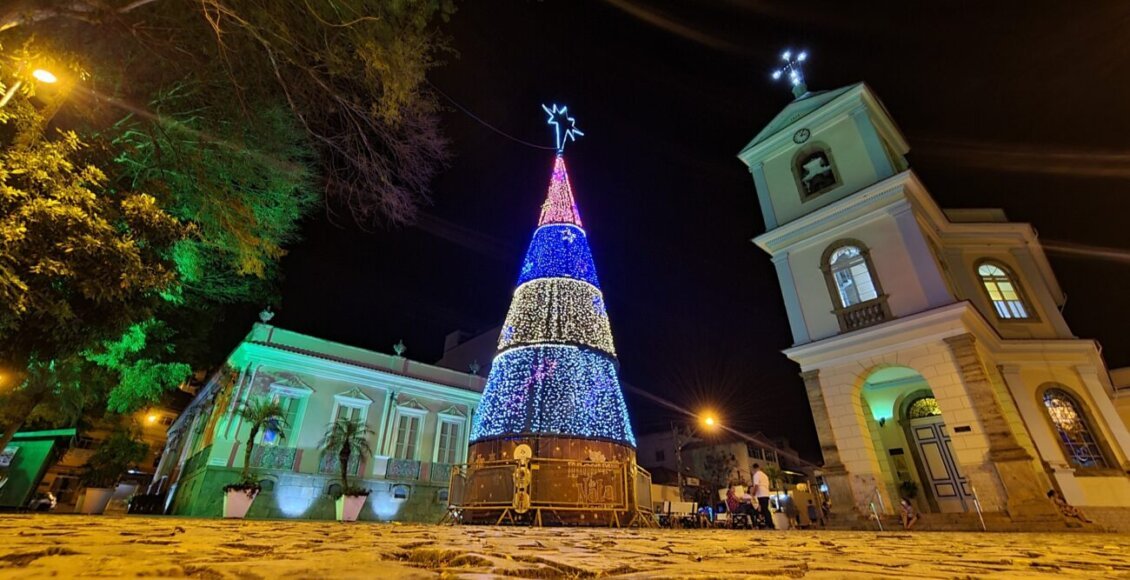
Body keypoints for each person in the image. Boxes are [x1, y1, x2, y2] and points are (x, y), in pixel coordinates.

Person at [751, 463, 775, 529]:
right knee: (765, 509)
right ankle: (769, 524)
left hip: (761, 494)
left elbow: (756, 485)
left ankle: (770, 525)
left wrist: (753, 493)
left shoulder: (756, 475)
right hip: (766, 494)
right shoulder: (765, 475)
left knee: (765, 510)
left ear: (754, 468)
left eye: (752, 469)